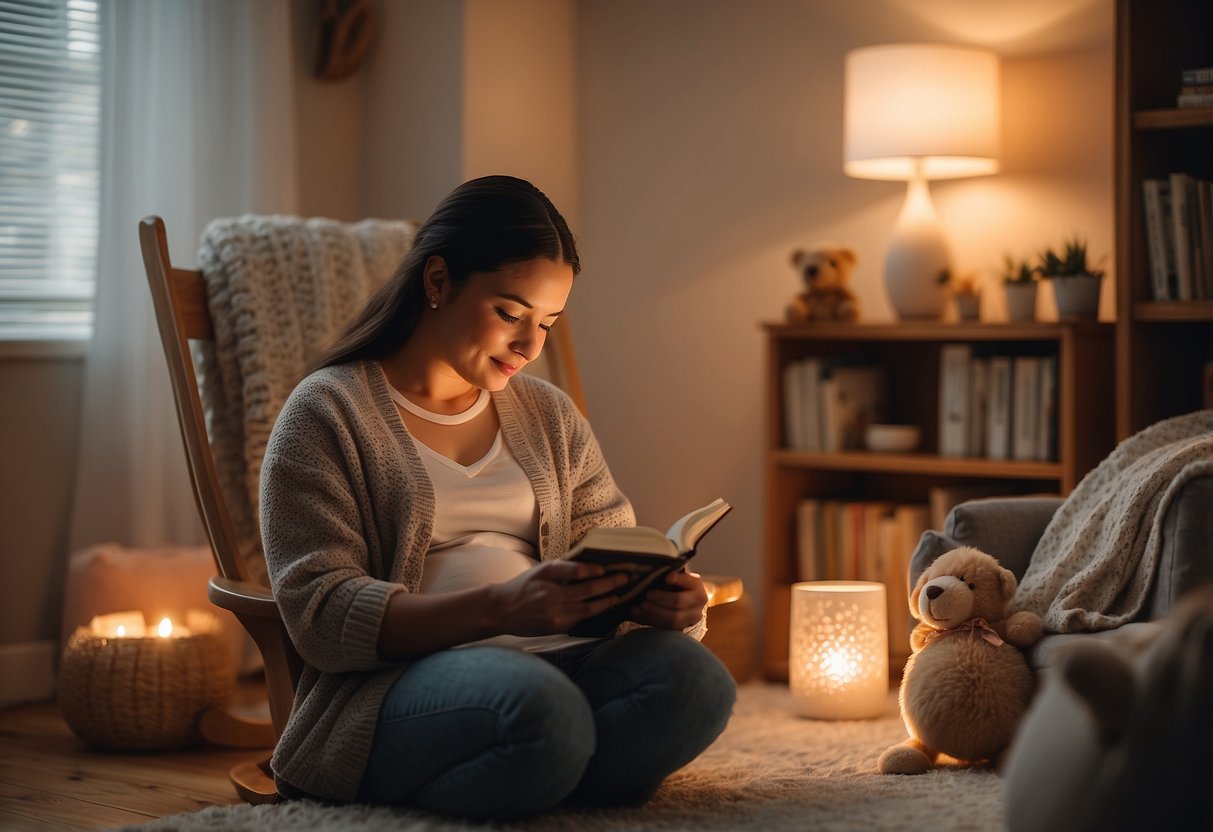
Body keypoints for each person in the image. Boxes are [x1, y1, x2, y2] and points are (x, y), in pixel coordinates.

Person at [259, 175, 736, 819]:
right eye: (510, 314)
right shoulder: (327, 412)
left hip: (564, 659)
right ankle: (560, 771)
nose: (530, 345)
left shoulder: (547, 414)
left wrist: (658, 599)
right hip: (406, 683)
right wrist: (501, 608)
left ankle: (539, 775)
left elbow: (608, 540)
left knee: (695, 682)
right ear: (437, 282)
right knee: (540, 710)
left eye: (548, 322)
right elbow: (319, 611)